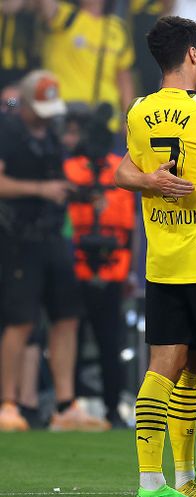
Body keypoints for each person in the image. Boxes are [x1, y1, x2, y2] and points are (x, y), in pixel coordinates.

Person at [115, 15, 196, 497]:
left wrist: (150, 183)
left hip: (162, 259)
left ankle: (153, 482)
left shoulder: (138, 110)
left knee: (163, 368)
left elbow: (125, 170)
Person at [0, 70, 109, 433]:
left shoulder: (50, 136)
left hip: (53, 236)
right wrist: (41, 189)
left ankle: (66, 405)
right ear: (27, 103)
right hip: (18, 237)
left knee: (67, 316)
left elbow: (57, 183)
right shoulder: (7, 130)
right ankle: (8, 403)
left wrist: (79, 195)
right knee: (20, 322)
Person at [63, 109, 136, 429]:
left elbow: (131, 227)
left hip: (111, 270)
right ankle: (69, 406)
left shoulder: (119, 170)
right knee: (71, 342)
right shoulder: (69, 170)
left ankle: (111, 409)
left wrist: (130, 271)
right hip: (74, 269)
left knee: (109, 344)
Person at [36, 0, 135, 133]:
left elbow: (123, 78)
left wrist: (128, 119)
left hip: (105, 120)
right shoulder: (65, 15)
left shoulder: (118, 27)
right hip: (65, 116)